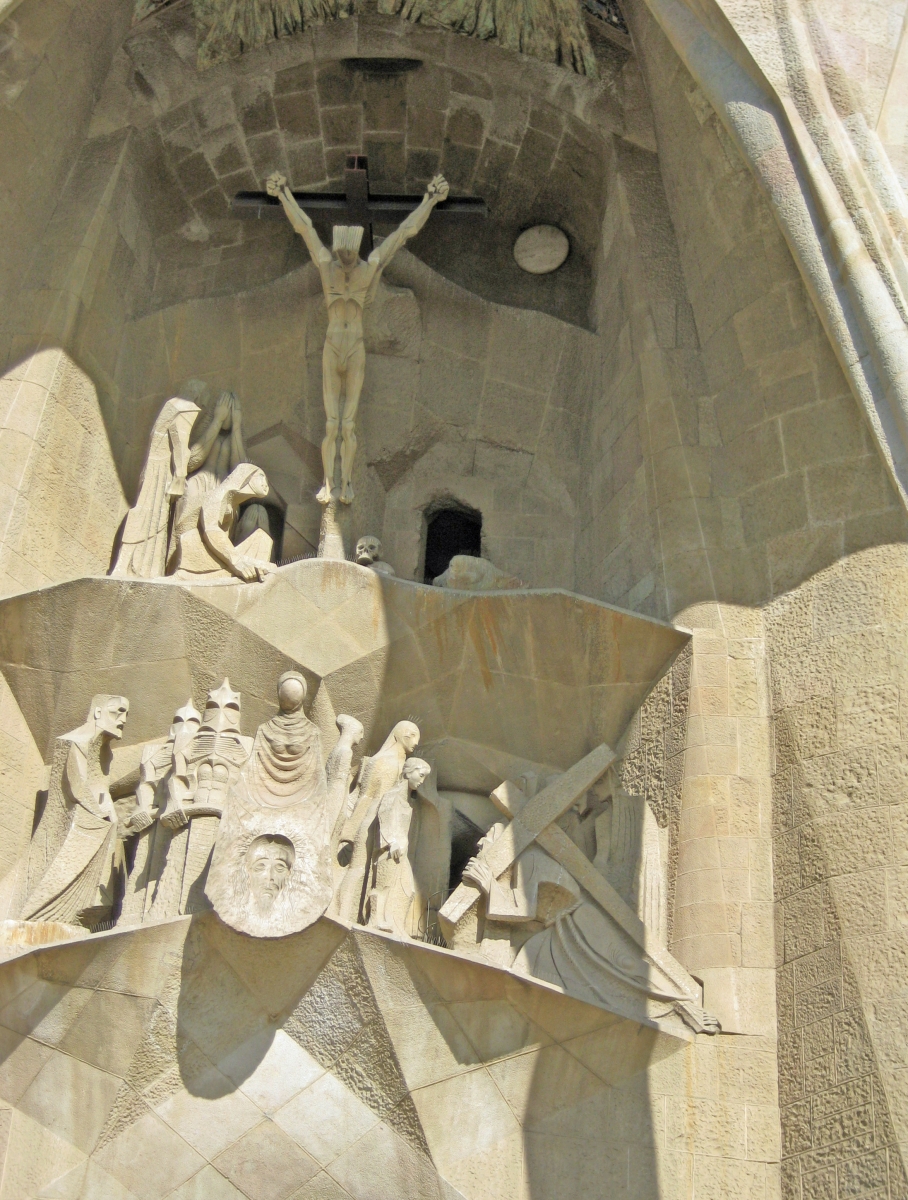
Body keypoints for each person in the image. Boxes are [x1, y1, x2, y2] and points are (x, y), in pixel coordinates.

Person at [266, 170, 450, 504]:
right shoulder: (326, 265)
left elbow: (403, 233)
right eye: (342, 257)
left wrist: (430, 200)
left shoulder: (370, 267)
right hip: (333, 345)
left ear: (355, 253)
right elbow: (304, 227)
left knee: (347, 424)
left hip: (355, 348)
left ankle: (346, 483)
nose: (345, 262)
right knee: (332, 423)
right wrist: (283, 196)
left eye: (349, 257)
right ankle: (328, 483)